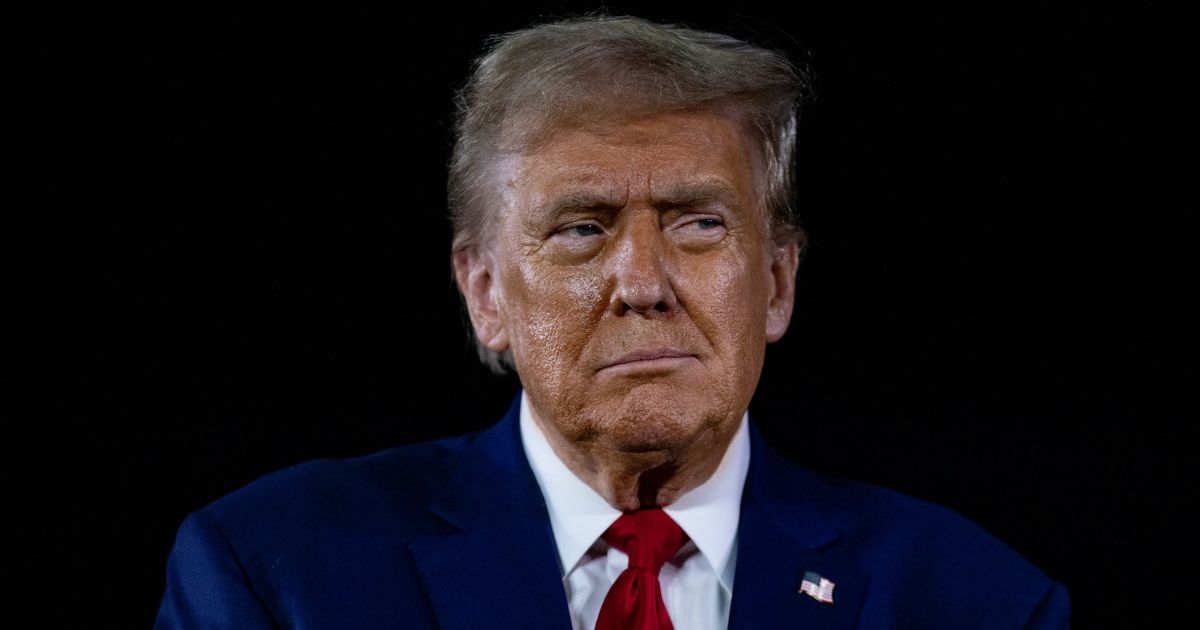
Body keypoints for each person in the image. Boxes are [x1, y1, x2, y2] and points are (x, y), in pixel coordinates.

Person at [155, 14, 1070, 629]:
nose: (643, 283)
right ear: (485, 294)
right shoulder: (277, 578)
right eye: (582, 229)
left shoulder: (976, 601)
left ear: (780, 282)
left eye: (699, 223)